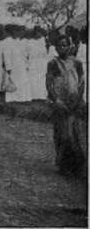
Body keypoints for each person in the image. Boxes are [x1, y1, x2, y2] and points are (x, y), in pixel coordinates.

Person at [46, 35, 86, 177]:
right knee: (62, 134)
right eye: (59, 46)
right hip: (60, 103)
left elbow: (81, 83)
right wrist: (56, 100)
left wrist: (78, 99)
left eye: (64, 45)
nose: (61, 48)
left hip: (74, 103)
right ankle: (64, 165)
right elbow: (49, 83)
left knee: (75, 134)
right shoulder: (53, 63)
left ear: (70, 46)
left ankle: (78, 166)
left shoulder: (77, 63)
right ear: (55, 48)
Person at [3, 25, 31, 102]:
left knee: (22, 81)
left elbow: (26, 55)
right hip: (13, 66)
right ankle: (12, 99)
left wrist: (27, 65)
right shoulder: (8, 42)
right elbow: (6, 55)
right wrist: (8, 67)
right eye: (18, 31)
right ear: (14, 32)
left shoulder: (22, 42)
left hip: (22, 66)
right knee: (13, 81)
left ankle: (22, 99)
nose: (20, 33)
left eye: (22, 31)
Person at [28, 27, 48, 100]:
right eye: (37, 32)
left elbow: (45, 53)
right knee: (33, 79)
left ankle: (42, 96)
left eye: (39, 32)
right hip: (33, 62)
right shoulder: (30, 42)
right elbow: (28, 53)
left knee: (41, 79)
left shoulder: (43, 41)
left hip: (42, 62)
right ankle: (34, 96)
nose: (38, 34)